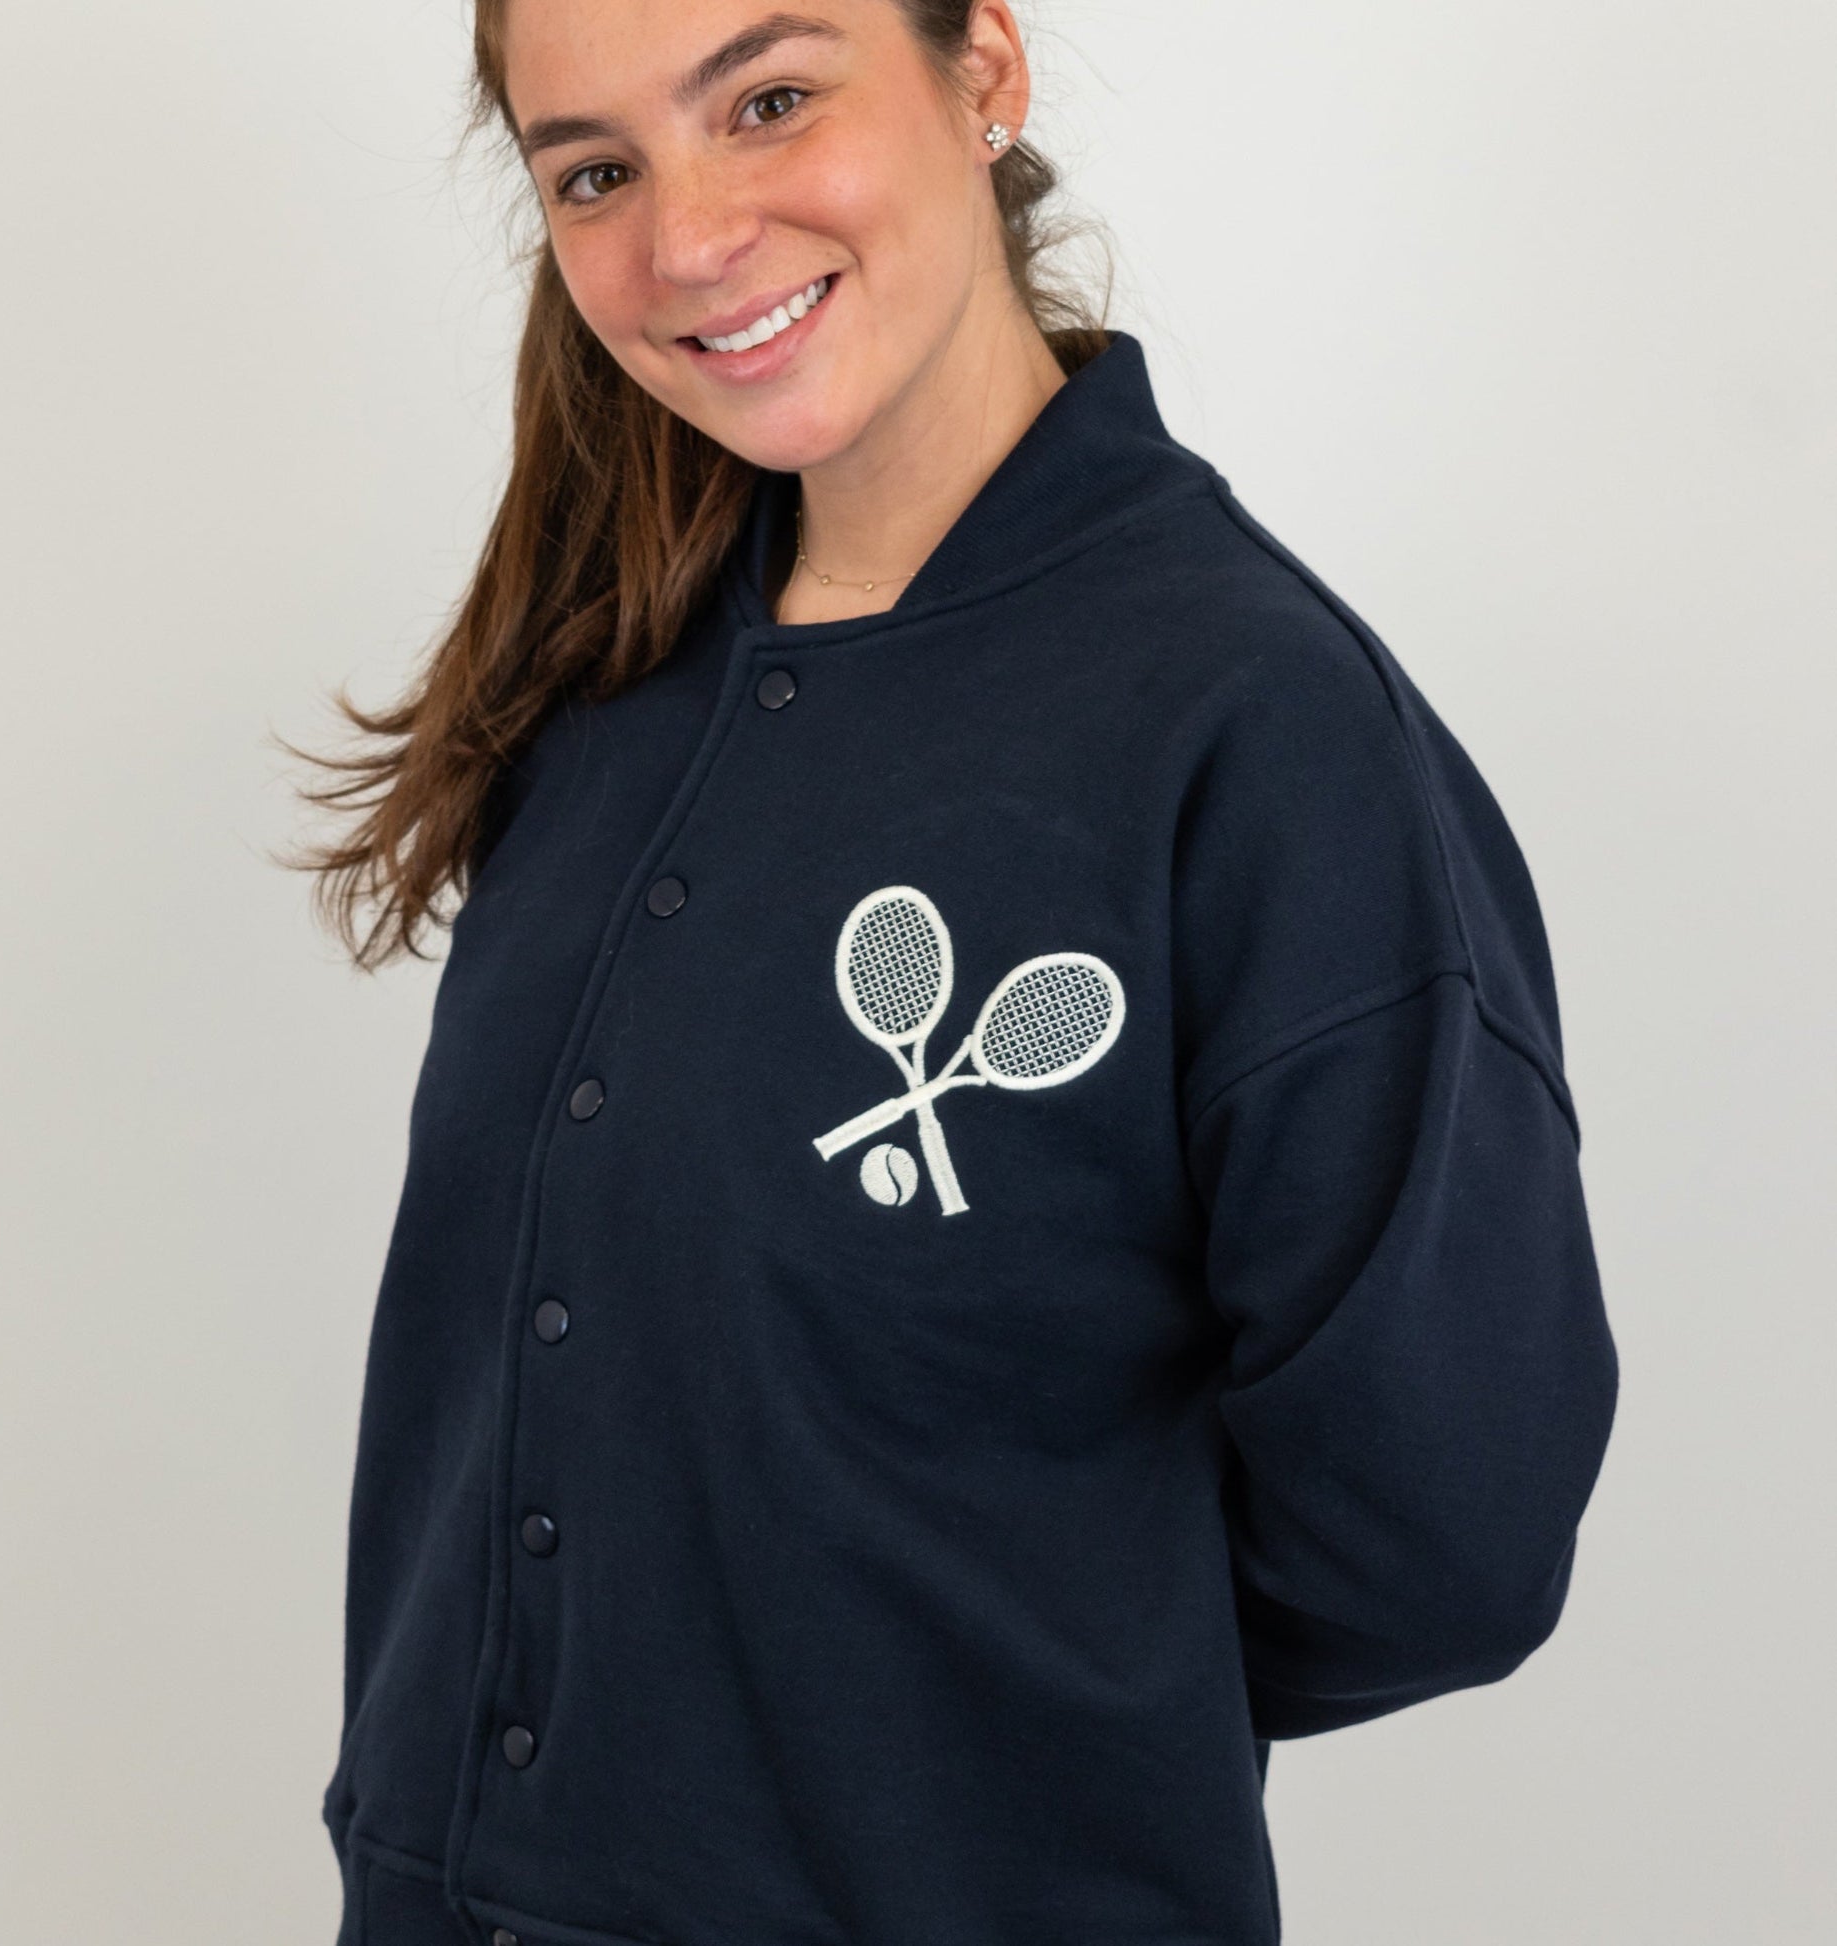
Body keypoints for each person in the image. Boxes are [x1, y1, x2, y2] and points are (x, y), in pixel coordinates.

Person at [287, 4, 1621, 1942]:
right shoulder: (606, 680)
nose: (685, 241)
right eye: (594, 172)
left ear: (981, 69)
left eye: (769, 101)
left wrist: (1004, 1693)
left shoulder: (1258, 730)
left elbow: (1445, 1537)